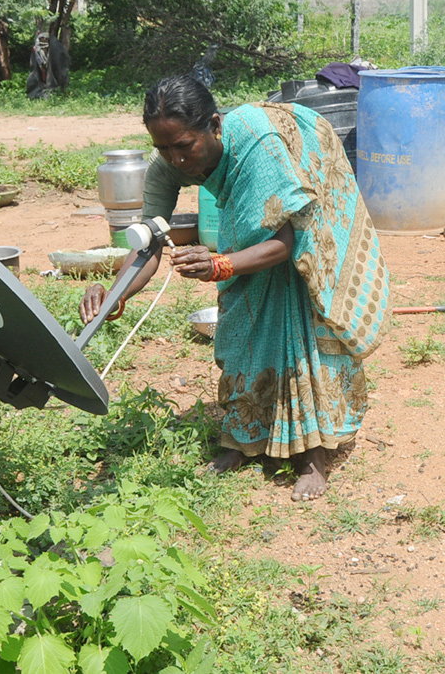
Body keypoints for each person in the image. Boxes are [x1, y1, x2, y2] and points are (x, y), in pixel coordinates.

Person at [80, 74, 390, 500]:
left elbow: (285, 242)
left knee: (304, 311)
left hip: (309, 180)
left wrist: (222, 263)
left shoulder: (256, 147)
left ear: (214, 125)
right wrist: (113, 295)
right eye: (162, 148)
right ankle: (243, 438)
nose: (175, 159)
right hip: (270, 221)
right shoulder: (167, 164)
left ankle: (314, 455)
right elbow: (147, 243)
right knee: (246, 309)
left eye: (183, 146)